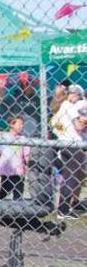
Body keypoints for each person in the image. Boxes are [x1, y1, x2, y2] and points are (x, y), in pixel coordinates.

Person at [53, 84, 86, 217]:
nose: (75, 97)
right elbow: (78, 126)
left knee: (74, 176)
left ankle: (69, 205)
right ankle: (63, 209)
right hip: (73, 145)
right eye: (73, 94)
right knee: (71, 177)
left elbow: (56, 124)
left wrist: (63, 134)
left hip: (66, 144)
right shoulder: (69, 107)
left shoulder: (64, 107)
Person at [0, 115, 29, 200]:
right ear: (12, 125)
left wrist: (28, 164)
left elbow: (26, 155)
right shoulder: (4, 137)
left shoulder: (23, 139)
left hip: (18, 172)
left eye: (22, 124)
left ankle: (17, 210)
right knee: (3, 192)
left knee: (18, 195)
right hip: (6, 171)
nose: (21, 126)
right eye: (19, 124)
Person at [0, 72, 40, 137]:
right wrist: (1, 87)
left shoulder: (38, 99)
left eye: (32, 84)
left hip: (35, 135)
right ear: (22, 85)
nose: (31, 86)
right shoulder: (13, 98)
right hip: (18, 136)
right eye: (28, 83)